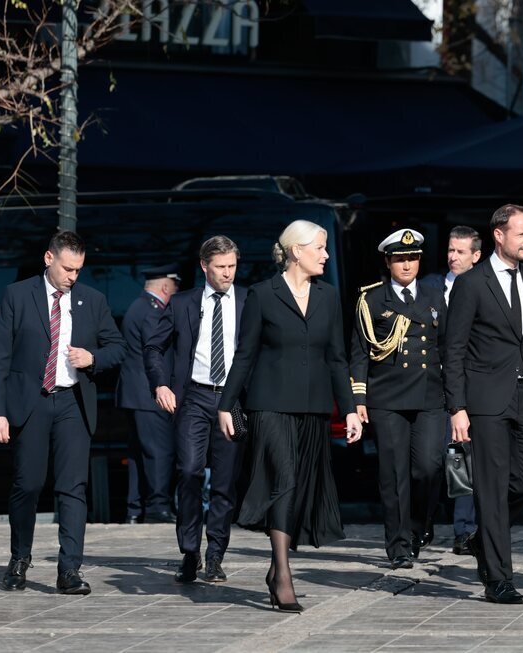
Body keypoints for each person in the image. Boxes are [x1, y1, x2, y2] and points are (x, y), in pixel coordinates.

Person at [217, 220, 362, 613]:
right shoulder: (262, 295)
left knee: (298, 487)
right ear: (296, 251)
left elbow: (337, 358)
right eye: (320, 248)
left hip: (314, 408)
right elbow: (244, 355)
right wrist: (226, 405)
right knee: (285, 478)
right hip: (269, 405)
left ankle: (276, 567)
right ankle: (282, 573)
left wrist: (348, 409)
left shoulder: (329, 297)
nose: (326, 255)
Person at [0, 230, 125, 595]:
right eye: (68, 268)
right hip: (30, 402)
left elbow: (118, 347)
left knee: (72, 488)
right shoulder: (17, 296)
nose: (73, 276)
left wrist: (93, 358)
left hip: (72, 403)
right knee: (27, 484)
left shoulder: (92, 301)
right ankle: (20, 559)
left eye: (79, 270)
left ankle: (69, 571)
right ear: (49, 259)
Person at [443, 204, 523, 604]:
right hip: (485, 398)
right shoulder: (472, 283)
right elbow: (454, 348)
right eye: (522, 234)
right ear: (499, 235)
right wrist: (457, 407)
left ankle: (483, 536)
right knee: (491, 489)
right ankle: (499, 580)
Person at [144, 236, 246, 584]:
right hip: (193, 398)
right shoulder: (183, 303)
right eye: (220, 267)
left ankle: (215, 554)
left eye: (232, 266)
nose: (227, 274)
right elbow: (153, 346)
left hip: (233, 400)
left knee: (225, 481)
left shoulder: (249, 300)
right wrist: (160, 384)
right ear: (204, 267)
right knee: (188, 471)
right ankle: (190, 551)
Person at [350, 229, 447, 569]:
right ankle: (398, 544)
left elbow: (447, 348)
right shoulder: (372, 300)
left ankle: (420, 525)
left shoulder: (436, 296)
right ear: (388, 261)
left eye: (413, 258)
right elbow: (360, 353)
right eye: (401, 259)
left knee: (428, 468)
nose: (407, 265)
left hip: (430, 395)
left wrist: (457, 399)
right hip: (387, 397)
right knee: (393, 474)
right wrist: (358, 398)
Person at [419, 225, 482, 556]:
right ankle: (423, 521)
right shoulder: (429, 287)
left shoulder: (485, 287)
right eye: (450, 250)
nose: (452, 257)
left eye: (460, 251)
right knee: (428, 462)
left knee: (461, 460)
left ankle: (464, 530)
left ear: (476, 255)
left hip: (466, 388)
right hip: (430, 387)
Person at [116, 263, 181, 525]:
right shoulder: (152, 311)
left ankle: (135, 508)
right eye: (175, 287)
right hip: (148, 393)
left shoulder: (139, 307)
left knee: (139, 453)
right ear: (166, 287)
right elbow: (158, 353)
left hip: (136, 394)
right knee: (159, 451)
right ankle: (157, 506)